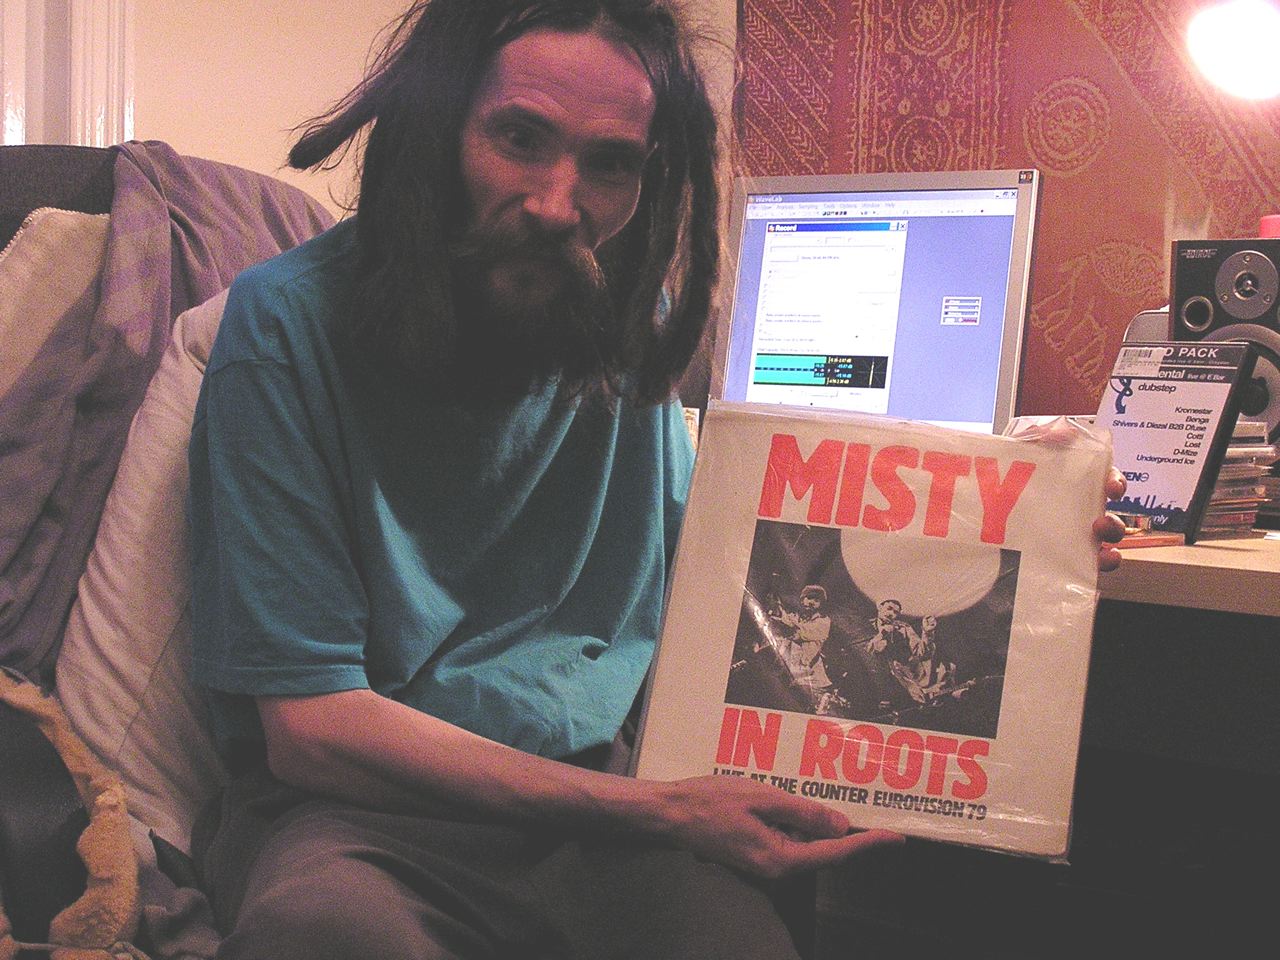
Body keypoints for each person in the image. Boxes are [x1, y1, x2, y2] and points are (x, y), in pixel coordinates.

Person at [187, 2, 1127, 957]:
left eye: (609, 164)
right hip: (360, 819)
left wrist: (1014, 528)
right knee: (327, 937)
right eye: (520, 139)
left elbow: (751, 591)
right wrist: (661, 811)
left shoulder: (627, 324)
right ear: (437, 130)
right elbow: (312, 729)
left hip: (603, 814)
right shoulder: (284, 327)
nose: (558, 206)